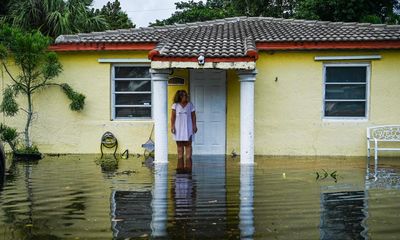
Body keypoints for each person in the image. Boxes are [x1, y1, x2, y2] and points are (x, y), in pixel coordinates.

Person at [171, 90, 197, 172]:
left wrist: (194, 125)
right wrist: (172, 126)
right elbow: (173, 117)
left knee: (188, 145)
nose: (186, 97)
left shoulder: (190, 105)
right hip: (178, 128)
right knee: (179, 146)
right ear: (179, 96)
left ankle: (188, 167)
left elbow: (193, 116)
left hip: (188, 128)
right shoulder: (175, 105)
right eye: (184, 95)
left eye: (186, 95)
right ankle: (180, 168)